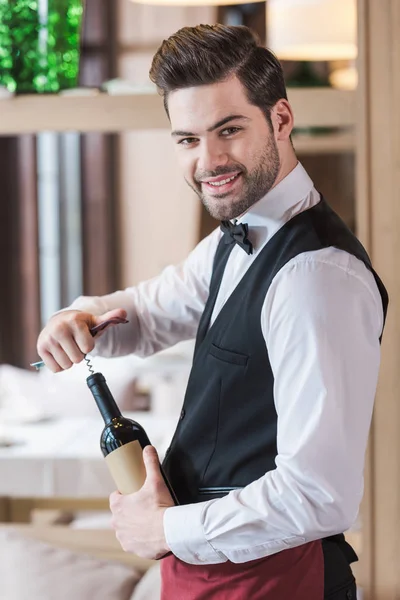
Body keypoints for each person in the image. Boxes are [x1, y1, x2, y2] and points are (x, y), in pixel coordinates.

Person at [36, 24, 388, 600]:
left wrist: (164, 527)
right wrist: (81, 316)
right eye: (187, 140)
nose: (209, 160)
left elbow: (320, 492)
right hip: (210, 575)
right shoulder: (238, 234)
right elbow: (151, 311)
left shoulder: (316, 277)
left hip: (279, 582)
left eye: (229, 130)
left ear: (280, 119)